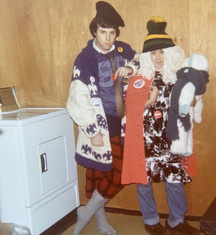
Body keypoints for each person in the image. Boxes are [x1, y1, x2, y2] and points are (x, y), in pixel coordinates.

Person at [116, 16, 200, 235]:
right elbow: (130, 111)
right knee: (144, 182)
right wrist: (150, 101)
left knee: (174, 180)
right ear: (146, 56)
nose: (158, 57)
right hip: (145, 140)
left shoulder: (177, 78)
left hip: (171, 140)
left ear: (169, 53)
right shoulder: (139, 79)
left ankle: (176, 220)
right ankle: (151, 220)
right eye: (153, 53)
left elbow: (189, 100)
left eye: (162, 52)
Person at [66, 1, 136, 235]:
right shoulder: (85, 58)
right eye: (103, 32)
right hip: (99, 125)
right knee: (98, 172)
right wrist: (92, 130)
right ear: (94, 31)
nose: (108, 38)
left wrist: (132, 69)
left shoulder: (124, 50)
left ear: (117, 33)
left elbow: (142, 63)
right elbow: (78, 97)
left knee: (120, 174)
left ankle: (85, 213)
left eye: (112, 32)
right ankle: (99, 219)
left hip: (123, 122)